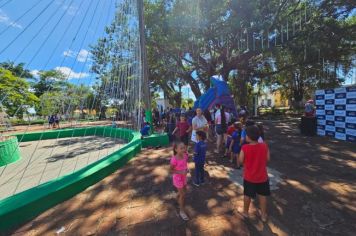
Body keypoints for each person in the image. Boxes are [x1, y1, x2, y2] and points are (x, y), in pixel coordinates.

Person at [239, 125, 270, 222]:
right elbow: (268, 159)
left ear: (248, 136)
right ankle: (263, 215)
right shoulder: (264, 145)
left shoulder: (245, 148)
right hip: (262, 176)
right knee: (262, 195)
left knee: (247, 195)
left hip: (249, 177)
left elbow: (240, 160)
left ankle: (245, 212)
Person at [170, 141, 190, 221]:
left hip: (184, 177)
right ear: (176, 149)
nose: (184, 149)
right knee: (183, 195)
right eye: (181, 148)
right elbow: (171, 170)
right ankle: (181, 211)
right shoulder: (174, 159)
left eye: (184, 147)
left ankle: (177, 197)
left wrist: (186, 169)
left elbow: (185, 164)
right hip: (177, 178)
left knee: (184, 191)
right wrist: (180, 172)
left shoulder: (185, 155)